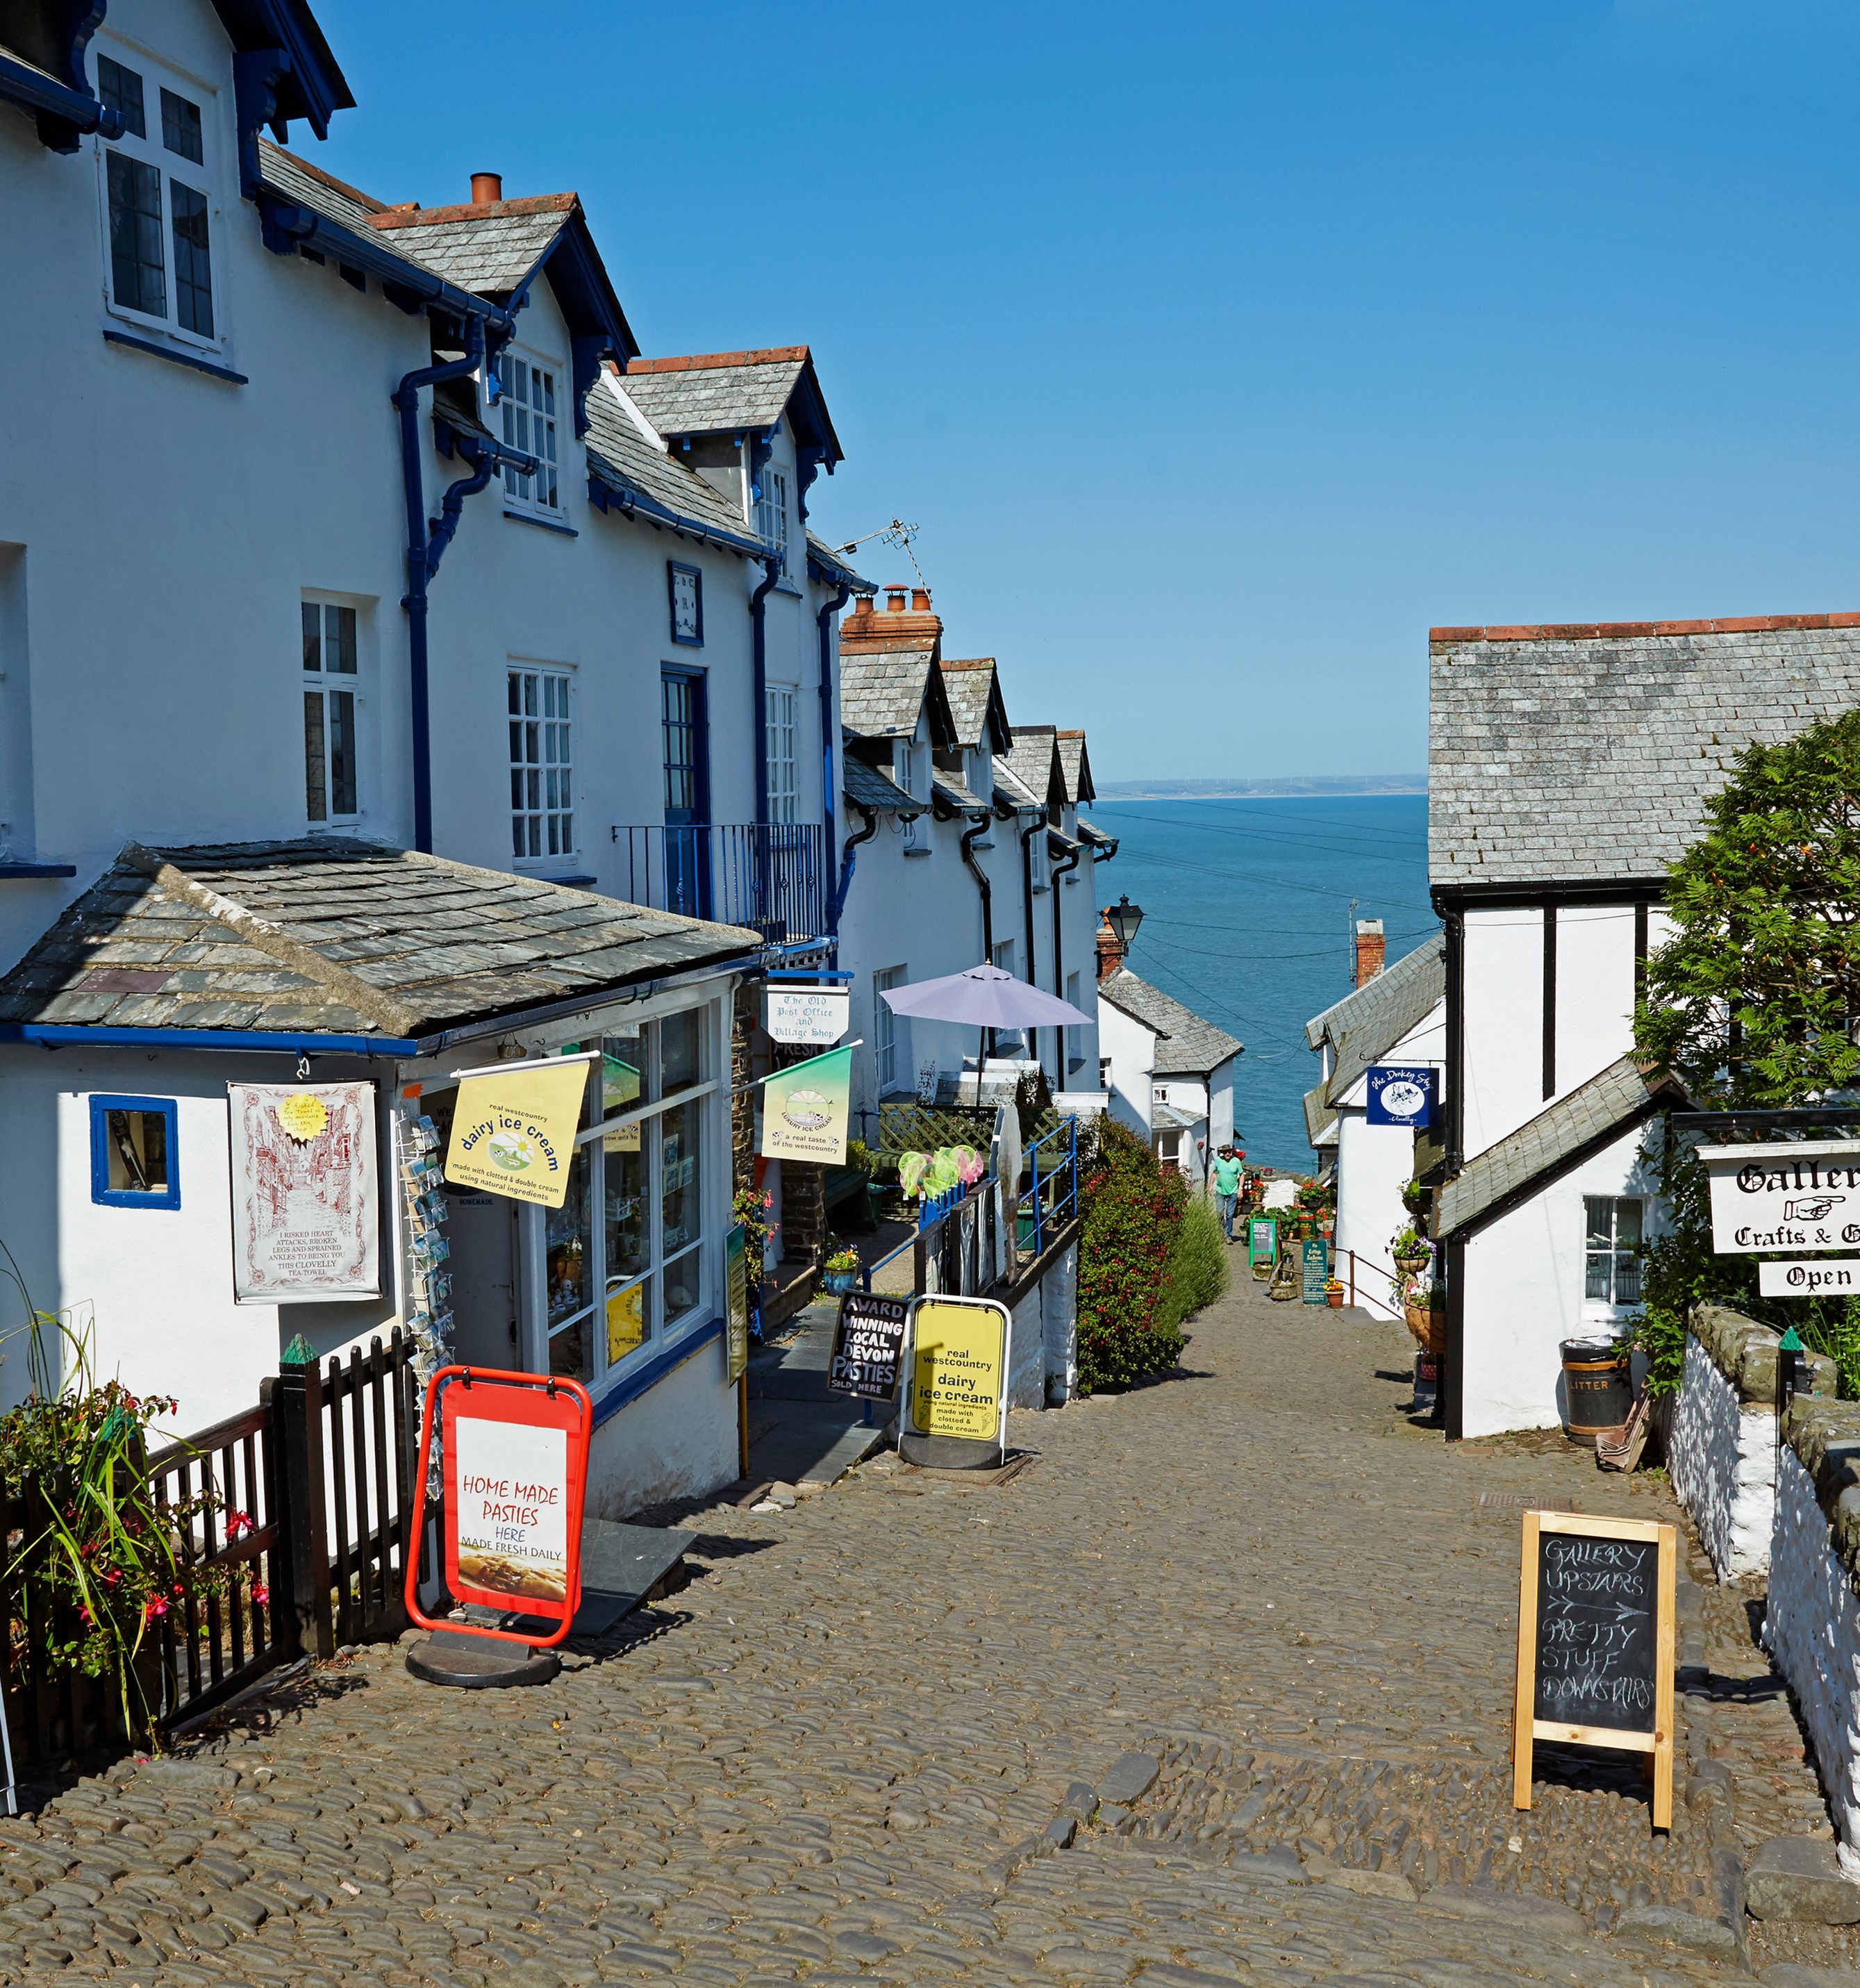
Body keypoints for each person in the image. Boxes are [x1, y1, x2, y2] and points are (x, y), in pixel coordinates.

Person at [1211, 1143, 1244, 1242]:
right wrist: (1210, 1186)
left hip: (1233, 1191)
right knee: (1220, 1213)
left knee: (1229, 1215)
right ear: (1223, 1153)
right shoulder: (1218, 1161)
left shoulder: (1236, 1161)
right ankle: (1221, 1233)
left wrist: (1240, 1189)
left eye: (1229, 1152)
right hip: (1220, 1190)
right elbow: (1215, 1173)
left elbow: (1241, 1175)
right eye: (1225, 1152)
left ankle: (1228, 1236)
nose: (1227, 1154)